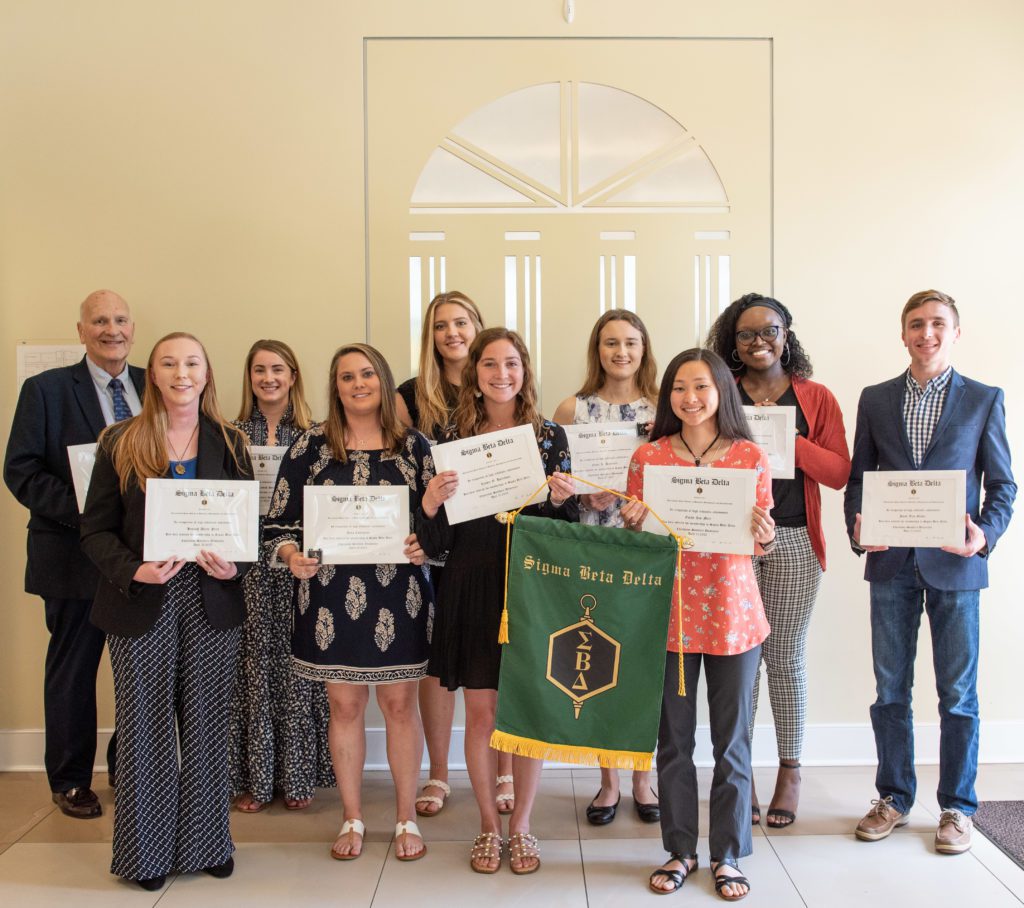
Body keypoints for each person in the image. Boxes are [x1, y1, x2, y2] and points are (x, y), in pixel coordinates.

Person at [844, 289, 1015, 855]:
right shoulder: (876, 399)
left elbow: (1003, 486)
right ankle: (893, 797)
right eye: (916, 324)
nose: (927, 334)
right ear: (903, 334)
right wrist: (859, 528)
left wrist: (983, 534)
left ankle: (957, 808)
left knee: (958, 694)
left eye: (938, 324)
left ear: (955, 333)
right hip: (891, 564)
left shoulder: (984, 399)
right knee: (890, 689)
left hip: (956, 567)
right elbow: (859, 482)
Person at [80, 332, 252, 891]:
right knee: (144, 727)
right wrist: (134, 569)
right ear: (151, 374)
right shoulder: (120, 441)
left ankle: (208, 843)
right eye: (169, 363)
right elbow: (95, 529)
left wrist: (235, 568)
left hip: (210, 598)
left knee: (206, 723)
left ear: (207, 374)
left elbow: (244, 529)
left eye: (193, 362)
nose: (182, 372)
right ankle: (145, 855)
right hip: (141, 598)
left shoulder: (230, 442)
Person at [264, 343, 435, 862]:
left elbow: (441, 524)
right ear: (334, 387)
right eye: (345, 377)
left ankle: (407, 818)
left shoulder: (414, 447)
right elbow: (276, 523)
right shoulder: (310, 447)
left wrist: (425, 542)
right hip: (328, 596)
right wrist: (291, 555)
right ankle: (353, 817)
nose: (357, 384)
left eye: (367, 374)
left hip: (400, 593)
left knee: (401, 705)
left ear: (382, 380)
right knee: (344, 704)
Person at [418, 327, 578, 874]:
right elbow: (435, 545)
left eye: (512, 364)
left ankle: (524, 827)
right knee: (482, 713)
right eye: (490, 364)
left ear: (525, 370)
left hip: (531, 586)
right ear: (474, 373)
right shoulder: (448, 435)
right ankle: (488, 825)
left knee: (527, 713)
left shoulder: (550, 435)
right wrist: (432, 504)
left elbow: (566, 529)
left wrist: (561, 503)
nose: (501, 374)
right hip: (470, 582)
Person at [622, 348, 775, 899]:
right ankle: (680, 849)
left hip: (734, 616)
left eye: (702, 387)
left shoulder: (750, 456)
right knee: (674, 742)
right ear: (668, 396)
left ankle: (728, 854)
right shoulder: (648, 458)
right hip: (670, 617)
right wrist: (633, 527)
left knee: (732, 742)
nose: (690, 398)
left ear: (721, 393)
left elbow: (756, 546)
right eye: (680, 388)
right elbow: (640, 547)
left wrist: (766, 535)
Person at [706, 293, 851, 828]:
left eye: (769, 330)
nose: (759, 341)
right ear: (732, 343)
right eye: (745, 334)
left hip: (792, 540)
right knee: (738, 663)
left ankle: (790, 770)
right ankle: (738, 774)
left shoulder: (815, 398)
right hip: (729, 543)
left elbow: (838, 472)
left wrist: (787, 439)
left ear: (786, 335)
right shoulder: (721, 393)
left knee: (784, 657)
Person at [4, 289, 142, 819]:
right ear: (81, 331)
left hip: (141, 561)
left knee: (139, 671)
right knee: (73, 670)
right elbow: (21, 472)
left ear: (133, 327)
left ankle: (129, 767)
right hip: (71, 557)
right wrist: (92, 516)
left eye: (121, 319)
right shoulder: (46, 390)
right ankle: (70, 780)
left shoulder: (155, 384)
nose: (113, 329)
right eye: (100, 320)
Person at [395, 292, 513, 816]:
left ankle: (505, 770)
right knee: (437, 663)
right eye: (440, 325)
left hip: (491, 549)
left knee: (500, 660)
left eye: (461, 322)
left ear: (479, 328)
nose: (451, 333)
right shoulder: (410, 395)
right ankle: (439, 774)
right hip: (434, 545)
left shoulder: (509, 388)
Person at [552, 309, 662, 826]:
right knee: (597, 660)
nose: (621, 352)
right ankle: (608, 781)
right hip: (591, 552)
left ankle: (644, 777)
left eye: (631, 343)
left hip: (646, 551)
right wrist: (578, 497)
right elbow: (553, 485)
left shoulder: (664, 407)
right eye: (611, 343)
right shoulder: (572, 408)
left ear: (644, 349)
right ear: (597, 350)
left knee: (642, 665)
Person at [228, 340, 334, 813]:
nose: (268, 378)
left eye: (278, 369)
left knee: (297, 669)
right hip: (243, 564)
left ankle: (297, 777)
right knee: (250, 669)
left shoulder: (317, 436)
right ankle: (252, 778)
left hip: (298, 565)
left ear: (293, 376)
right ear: (248, 378)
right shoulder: (227, 433)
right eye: (259, 370)